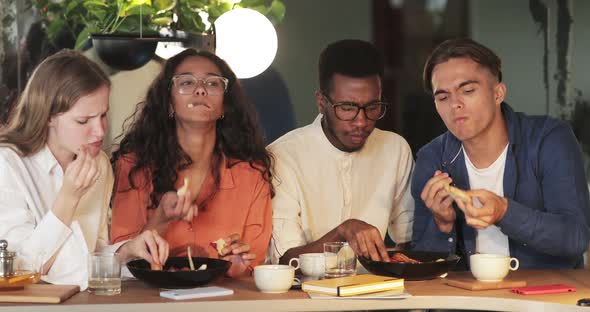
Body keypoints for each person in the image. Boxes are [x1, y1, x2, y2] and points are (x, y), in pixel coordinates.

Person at [412, 38, 590, 269]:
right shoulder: (432, 158)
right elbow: (421, 264)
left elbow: (575, 238)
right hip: (469, 299)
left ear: (498, 93)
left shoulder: (548, 138)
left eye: (467, 90)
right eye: (443, 97)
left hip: (544, 297)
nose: (454, 104)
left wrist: (504, 212)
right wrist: (442, 224)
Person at [0, 50, 169, 290]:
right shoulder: (8, 165)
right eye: (83, 121)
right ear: (48, 116)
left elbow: (88, 254)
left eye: (103, 115)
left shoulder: (98, 163)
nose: (100, 131)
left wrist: (127, 250)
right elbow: (20, 269)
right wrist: (68, 198)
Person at [110, 49, 273, 277]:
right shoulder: (133, 167)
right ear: (168, 102)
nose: (200, 89)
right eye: (186, 82)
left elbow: (254, 264)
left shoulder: (252, 175)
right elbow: (119, 259)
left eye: (213, 83)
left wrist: (237, 268)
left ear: (226, 104)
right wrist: (161, 218)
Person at [269, 39, 415, 265]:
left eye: (373, 107)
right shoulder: (282, 156)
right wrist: (343, 231)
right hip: (305, 296)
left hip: (379, 294)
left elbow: (408, 245)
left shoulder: (395, 149)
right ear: (321, 102)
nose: (361, 121)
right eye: (347, 108)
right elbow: (286, 262)